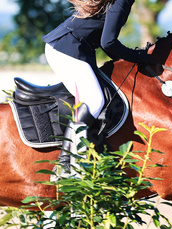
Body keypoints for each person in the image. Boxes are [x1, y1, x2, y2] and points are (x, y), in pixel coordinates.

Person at [43, 0, 153, 175]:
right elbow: (108, 42)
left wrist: (131, 56)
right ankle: (66, 162)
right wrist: (137, 56)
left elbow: (106, 41)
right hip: (65, 49)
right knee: (95, 101)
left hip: (72, 47)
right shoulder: (122, 1)